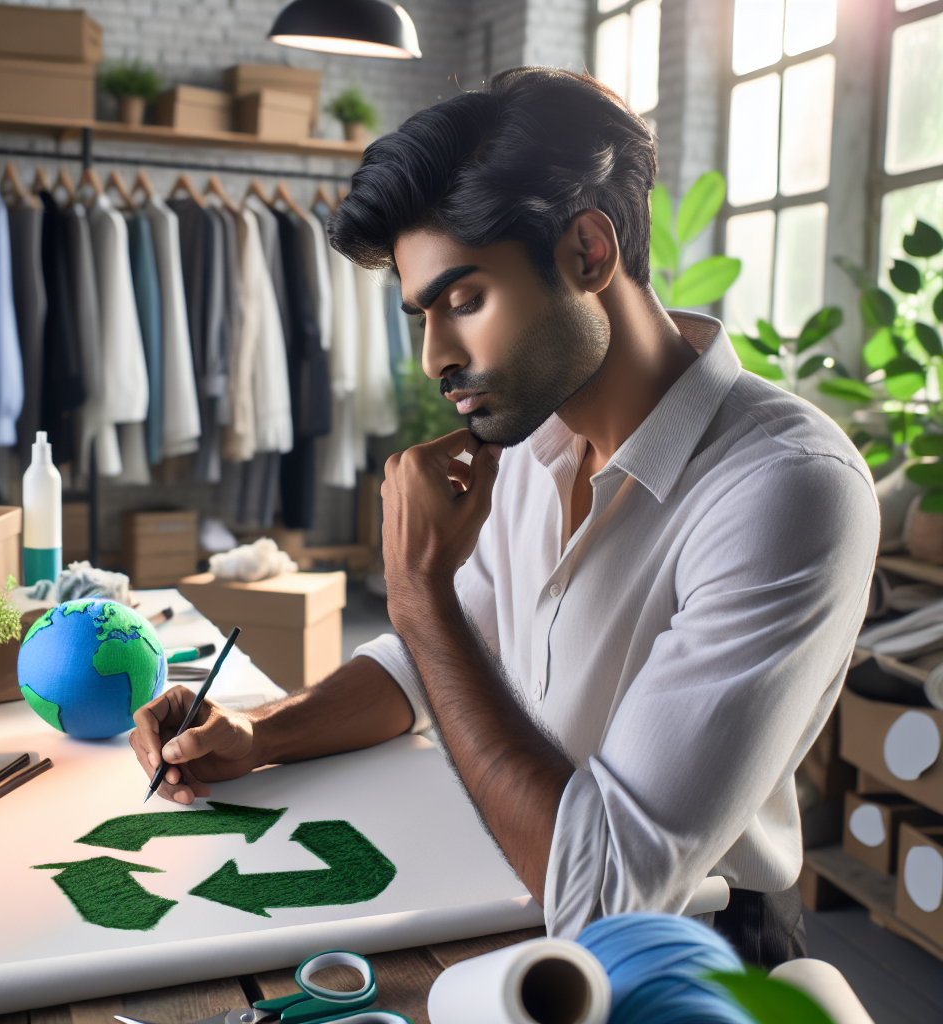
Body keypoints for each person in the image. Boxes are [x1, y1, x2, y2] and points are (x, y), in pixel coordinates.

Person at [129, 67, 879, 967]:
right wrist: (260, 733)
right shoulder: (529, 435)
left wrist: (416, 589)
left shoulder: (785, 488)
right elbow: (435, 661)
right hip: (508, 893)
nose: (433, 357)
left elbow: (603, 896)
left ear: (588, 254)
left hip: (690, 954)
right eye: (423, 313)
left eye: (464, 301)